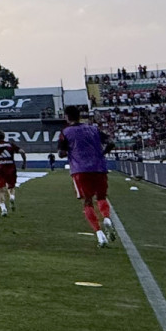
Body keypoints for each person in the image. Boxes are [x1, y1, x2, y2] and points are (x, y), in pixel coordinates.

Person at [56, 106, 114, 247]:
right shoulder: (93, 129)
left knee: (87, 201)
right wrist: (102, 154)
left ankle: (100, 235)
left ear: (66, 117)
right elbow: (111, 142)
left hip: (80, 170)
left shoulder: (65, 132)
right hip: (99, 168)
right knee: (101, 197)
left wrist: (70, 151)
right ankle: (107, 218)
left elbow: (60, 153)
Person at [0, 130, 24, 217]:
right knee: (11, 187)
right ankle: (12, 197)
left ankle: (3, 209)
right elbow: (22, 151)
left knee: (0, 190)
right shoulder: (10, 144)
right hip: (11, 168)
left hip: (0, 169)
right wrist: (24, 163)